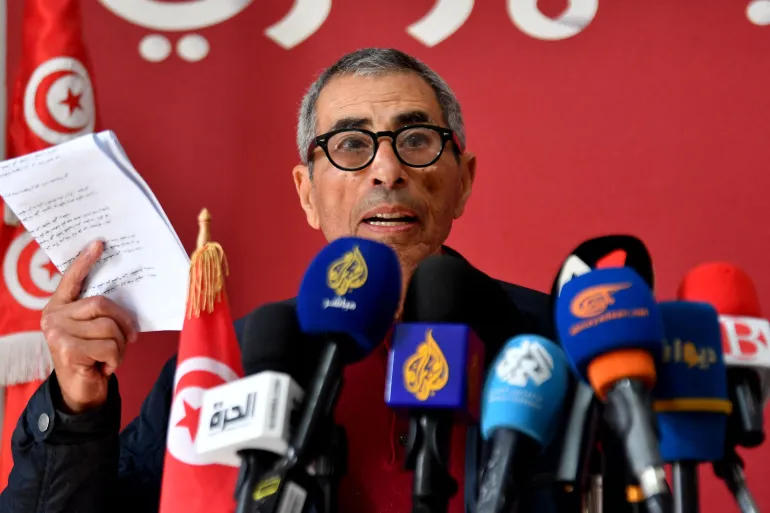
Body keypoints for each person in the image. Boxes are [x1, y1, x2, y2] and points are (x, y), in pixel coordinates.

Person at [0, 48, 568, 513]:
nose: (387, 170)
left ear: (464, 181)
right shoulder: (234, 362)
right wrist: (76, 410)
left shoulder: (556, 345)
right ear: (306, 193)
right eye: (351, 145)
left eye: (416, 139)